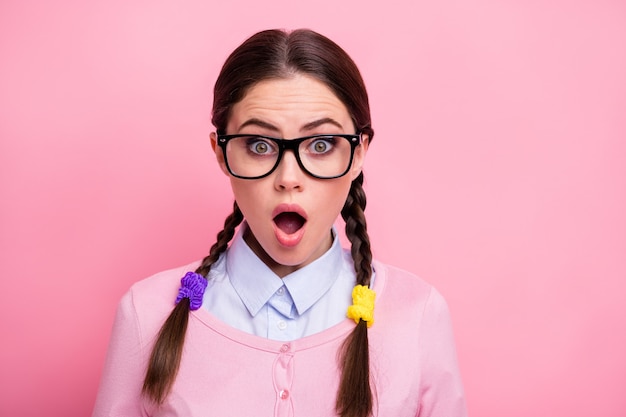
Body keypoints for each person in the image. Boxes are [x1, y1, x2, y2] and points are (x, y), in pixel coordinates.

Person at [92, 28, 467, 417]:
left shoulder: (418, 314)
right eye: (259, 144)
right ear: (221, 153)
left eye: (321, 145)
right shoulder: (146, 313)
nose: (288, 177)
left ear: (359, 153)